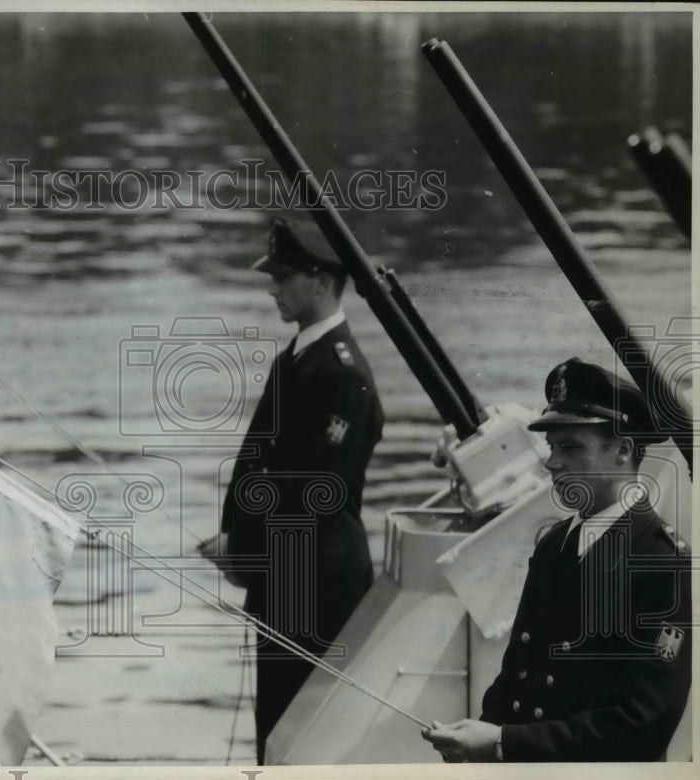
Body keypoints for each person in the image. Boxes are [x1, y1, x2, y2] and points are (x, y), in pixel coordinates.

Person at [422, 357, 691, 762]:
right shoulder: (554, 545)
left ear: (622, 449)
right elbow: (516, 678)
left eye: (569, 446)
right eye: (551, 447)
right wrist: (475, 746)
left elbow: (642, 728)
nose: (551, 463)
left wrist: (499, 743)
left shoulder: (659, 562)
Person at [200, 216, 384, 764]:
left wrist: (244, 549)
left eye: (284, 277)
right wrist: (240, 545)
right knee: (277, 737)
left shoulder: (342, 373)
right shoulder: (301, 357)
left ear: (323, 281)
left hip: (317, 586)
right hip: (288, 579)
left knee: (303, 741)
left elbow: (313, 493)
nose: (273, 288)